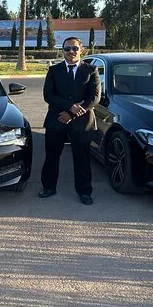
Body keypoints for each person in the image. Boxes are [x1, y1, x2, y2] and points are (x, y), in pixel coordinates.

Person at [39, 37, 100, 205]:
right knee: (52, 156)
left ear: (81, 49)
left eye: (74, 48)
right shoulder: (54, 70)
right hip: (57, 120)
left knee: (82, 158)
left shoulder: (91, 70)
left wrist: (72, 114)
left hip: (82, 122)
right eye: (67, 49)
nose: (71, 52)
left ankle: (84, 192)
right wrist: (69, 107)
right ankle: (48, 187)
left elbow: (94, 97)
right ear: (63, 51)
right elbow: (48, 95)